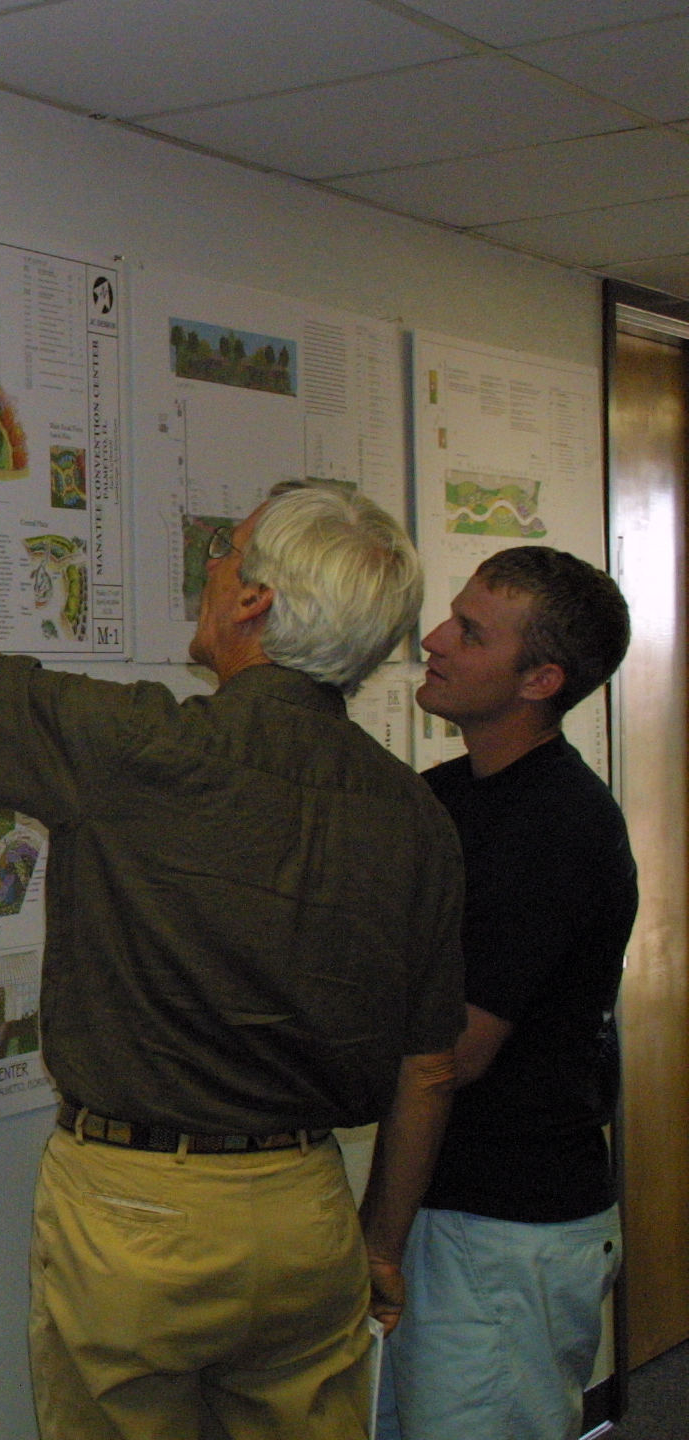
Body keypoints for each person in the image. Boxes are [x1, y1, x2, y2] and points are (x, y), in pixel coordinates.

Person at [0, 456, 466, 1440]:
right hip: (308, 1210)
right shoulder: (415, 814)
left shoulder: (137, 748)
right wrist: (377, 1246)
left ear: (252, 599)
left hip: (135, 1215)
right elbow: (431, 1068)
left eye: (220, 550)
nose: (207, 567)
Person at [379, 547, 636, 1440]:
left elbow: (454, 1050)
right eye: (450, 615)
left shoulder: (560, 828)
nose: (434, 640)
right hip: (444, 1207)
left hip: (507, 1233)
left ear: (541, 679)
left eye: (469, 632)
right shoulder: (445, 796)